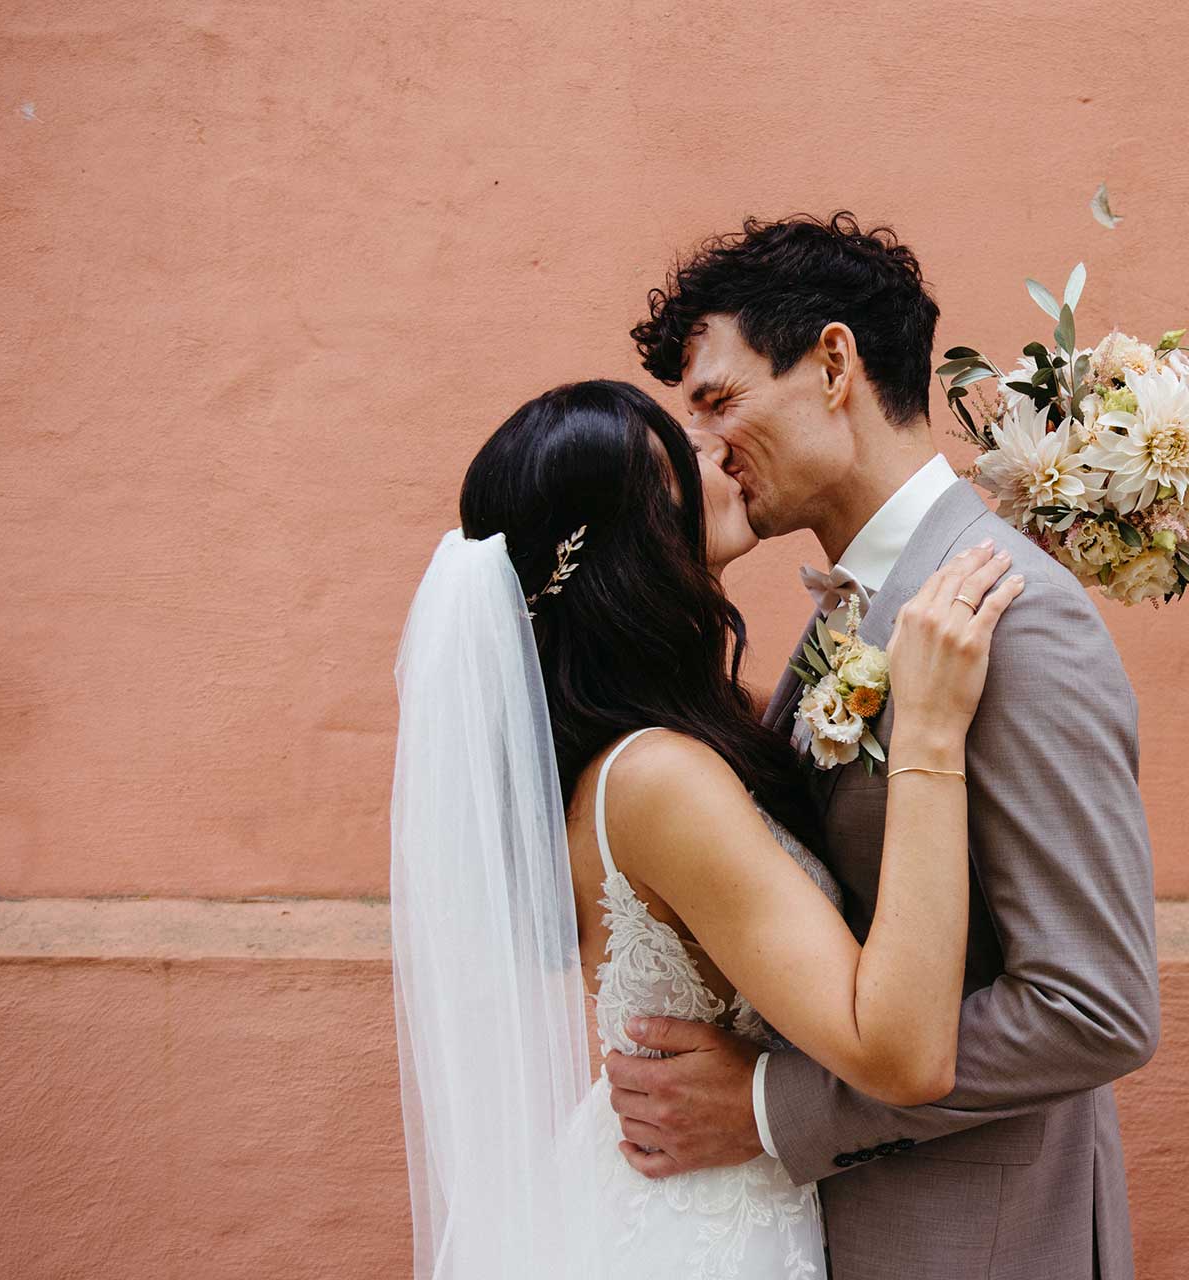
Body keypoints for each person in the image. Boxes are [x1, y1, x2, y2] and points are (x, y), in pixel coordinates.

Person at [608, 213, 1162, 1280]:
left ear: (831, 363)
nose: (709, 449)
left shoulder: (1017, 615)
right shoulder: (847, 611)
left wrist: (772, 1105)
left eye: (721, 400)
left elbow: (1095, 1006)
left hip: (979, 1243)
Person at [389, 378, 1024, 1278]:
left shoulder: (702, 733)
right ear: (628, 540)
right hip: (696, 1235)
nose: (718, 451)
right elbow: (906, 1055)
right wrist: (924, 732)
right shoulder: (657, 779)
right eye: (678, 459)